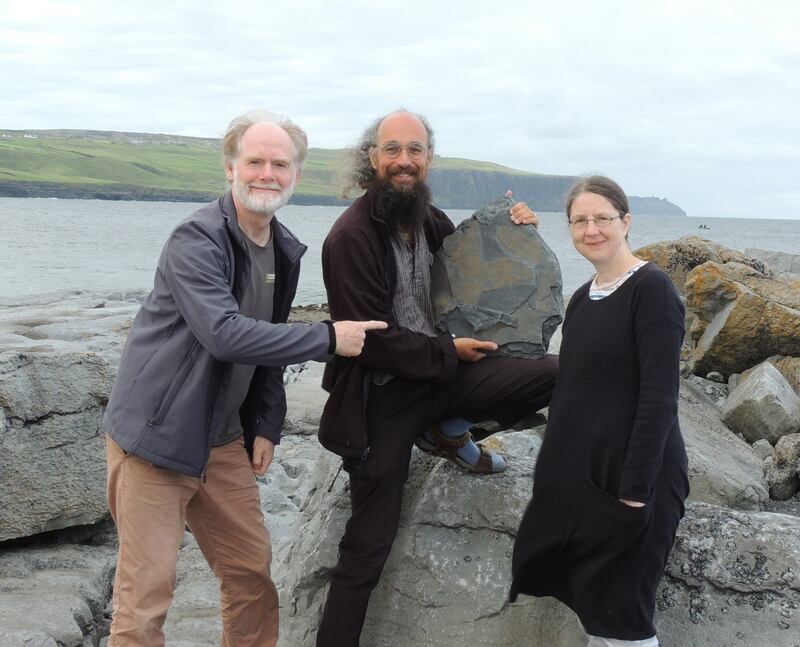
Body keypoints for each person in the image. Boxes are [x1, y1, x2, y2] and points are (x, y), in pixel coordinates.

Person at [102, 109, 386, 647]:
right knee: (145, 598)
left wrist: (267, 422)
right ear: (230, 169)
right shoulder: (197, 239)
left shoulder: (283, 249)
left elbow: (267, 346)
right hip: (156, 440)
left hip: (224, 441)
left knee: (251, 578)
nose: (267, 174)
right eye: (254, 161)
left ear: (295, 176)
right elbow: (225, 334)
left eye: (280, 164)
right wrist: (330, 338)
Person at [315, 109, 559, 646]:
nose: (405, 161)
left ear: (428, 159)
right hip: (381, 400)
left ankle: (448, 428)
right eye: (393, 150)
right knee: (367, 548)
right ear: (372, 158)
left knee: (553, 373)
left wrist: (517, 234)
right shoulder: (350, 236)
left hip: (441, 379)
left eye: (416, 150)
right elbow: (370, 342)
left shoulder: (429, 220)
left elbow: (475, 269)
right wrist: (448, 350)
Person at [510, 176, 689, 646]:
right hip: (589, 481)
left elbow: (659, 399)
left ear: (626, 222)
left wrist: (633, 494)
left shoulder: (652, 290)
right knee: (594, 610)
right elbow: (575, 393)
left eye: (603, 218)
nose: (592, 229)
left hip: (637, 483)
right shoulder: (581, 298)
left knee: (624, 619)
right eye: (580, 221)